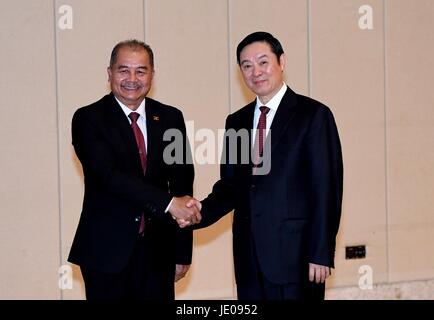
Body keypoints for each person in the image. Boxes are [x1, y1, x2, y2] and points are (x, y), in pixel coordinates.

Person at [187, 31, 343, 300]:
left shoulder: (313, 115)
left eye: (263, 62)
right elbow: (231, 186)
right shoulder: (236, 121)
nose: (255, 71)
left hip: (298, 257)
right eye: (246, 66)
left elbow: (326, 188)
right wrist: (198, 212)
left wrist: (321, 252)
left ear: (281, 62)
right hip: (250, 258)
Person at [68, 39, 201, 300]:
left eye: (141, 71)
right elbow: (108, 176)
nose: (132, 78)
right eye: (123, 70)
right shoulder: (88, 119)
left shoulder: (170, 117)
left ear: (152, 75)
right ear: (109, 73)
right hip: (106, 253)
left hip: (158, 255)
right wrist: (168, 203)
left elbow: (183, 182)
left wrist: (182, 251)